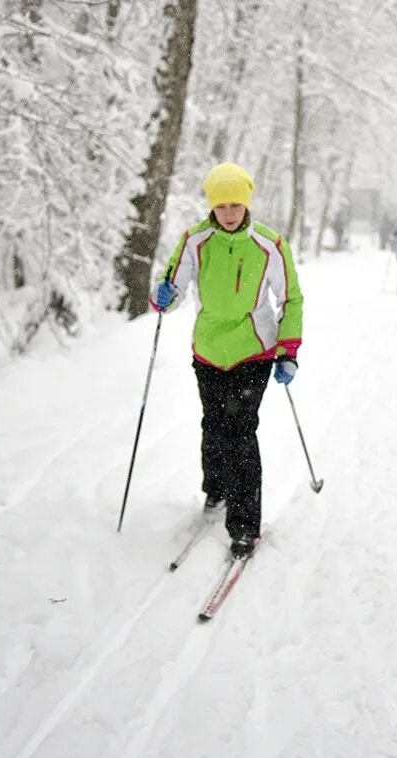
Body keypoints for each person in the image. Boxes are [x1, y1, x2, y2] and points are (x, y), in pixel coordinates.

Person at [149, 162, 304, 558]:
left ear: (247, 204)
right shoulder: (194, 241)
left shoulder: (270, 245)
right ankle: (214, 490)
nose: (230, 212)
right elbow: (173, 288)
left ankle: (244, 524)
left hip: (254, 351)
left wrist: (288, 352)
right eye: (222, 206)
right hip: (208, 350)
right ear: (212, 207)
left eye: (236, 204)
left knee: (241, 431)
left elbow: (290, 300)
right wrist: (164, 297)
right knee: (214, 425)